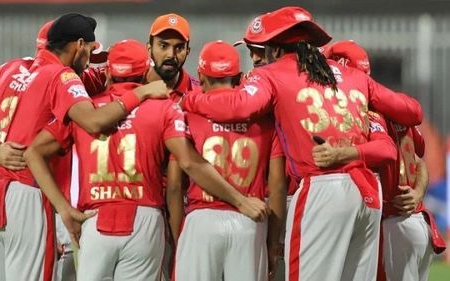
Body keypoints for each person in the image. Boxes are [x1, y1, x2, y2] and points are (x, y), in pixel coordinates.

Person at [180, 6, 422, 281]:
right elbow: (412, 111)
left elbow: (238, 106)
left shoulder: (271, 74)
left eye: (262, 49)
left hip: (322, 188)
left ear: (275, 47)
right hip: (368, 192)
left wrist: (189, 98)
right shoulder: (353, 76)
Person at [24, 39, 270, 281]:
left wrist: (64, 210)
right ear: (144, 72)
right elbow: (188, 163)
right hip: (145, 218)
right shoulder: (164, 108)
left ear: (108, 71)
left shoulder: (85, 109)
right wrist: (239, 202)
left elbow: (33, 152)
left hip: (95, 218)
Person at [0, 13, 168, 281]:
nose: (90, 62)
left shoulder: (11, 69)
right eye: (90, 51)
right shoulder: (63, 78)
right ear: (78, 45)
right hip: (26, 192)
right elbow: (92, 121)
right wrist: (140, 92)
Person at [324, 39, 447, 281]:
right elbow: (418, 160)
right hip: (413, 222)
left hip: (392, 226)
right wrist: (418, 192)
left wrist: (339, 154)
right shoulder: (396, 108)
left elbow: (387, 151)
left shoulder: (366, 112)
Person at [175, 40, 286, 281]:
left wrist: (177, 237)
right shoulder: (265, 119)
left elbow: (175, 183)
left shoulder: (187, 112)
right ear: (237, 77)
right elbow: (277, 186)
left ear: (200, 76)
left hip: (201, 220)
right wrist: (273, 242)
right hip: (250, 223)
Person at [146, 13, 199, 102]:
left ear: (187, 51)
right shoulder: (133, 90)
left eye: (179, 48)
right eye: (163, 46)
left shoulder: (199, 93)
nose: (171, 55)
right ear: (149, 48)